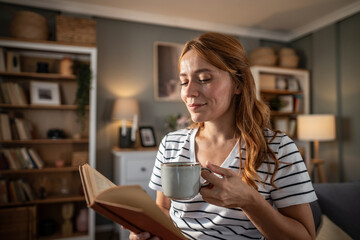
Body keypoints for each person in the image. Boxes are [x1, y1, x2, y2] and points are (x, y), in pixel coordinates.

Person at [130, 32, 317, 240]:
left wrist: (249, 201)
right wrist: (148, 232)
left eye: (204, 79)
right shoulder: (171, 144)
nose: (189, 92)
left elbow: (305, 237)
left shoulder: (278, 149)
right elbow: (163, 209)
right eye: (184, 82)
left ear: (238, 84)